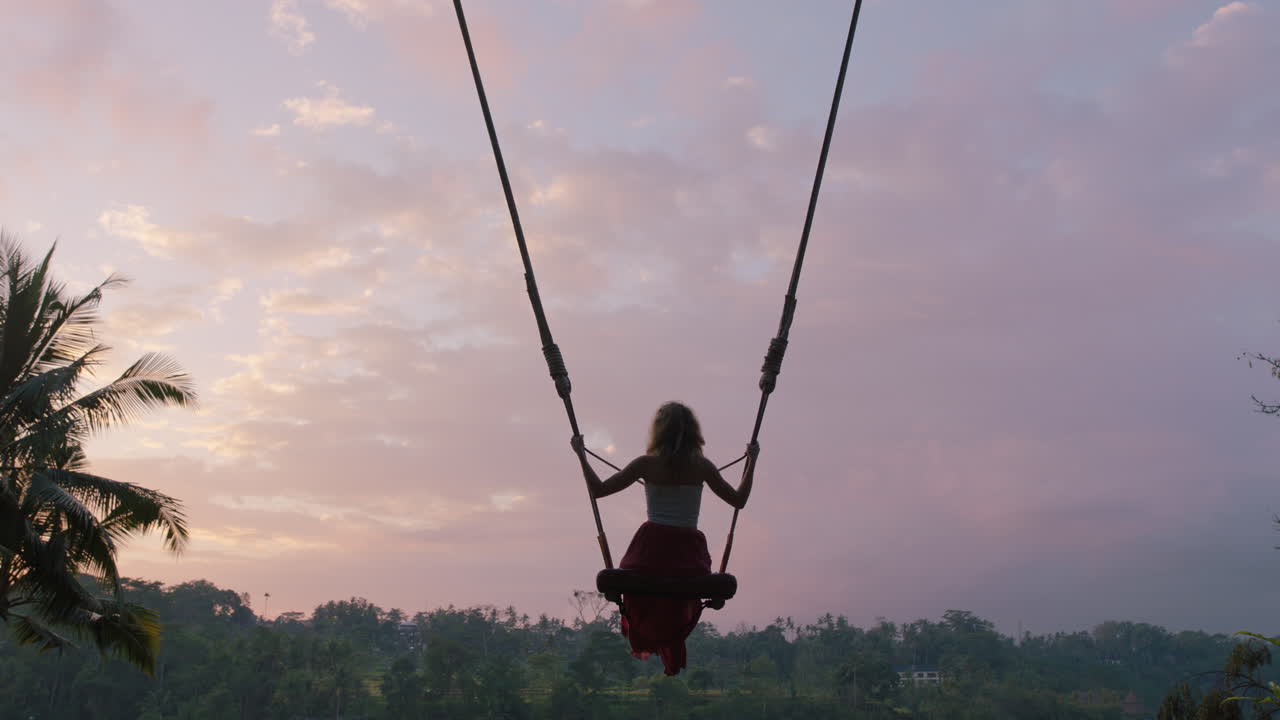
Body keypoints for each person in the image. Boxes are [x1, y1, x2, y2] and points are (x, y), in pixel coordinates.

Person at [570, 401, 759, 675]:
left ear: (658, 432)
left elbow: (598, 490)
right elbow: (739, 500)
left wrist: (581, 456)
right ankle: (668, 636)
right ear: (694, 432)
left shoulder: (646, 464)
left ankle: (650, 633)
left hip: (650, 553)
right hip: (688, 556)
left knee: (641, 593)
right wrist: (752, 460)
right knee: (678, 599)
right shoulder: (702, 467)